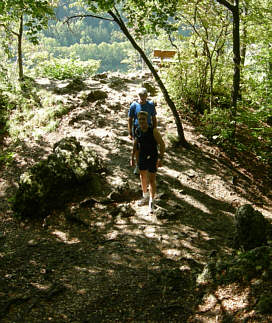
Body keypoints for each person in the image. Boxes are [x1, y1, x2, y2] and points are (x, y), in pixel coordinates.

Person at [130, 111, 165, 214]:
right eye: (140, 119)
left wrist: (161, 158)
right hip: (142, 156)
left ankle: (151, 200)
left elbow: (162, 144)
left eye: (143, 119)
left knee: (152, 179)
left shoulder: (153, 131)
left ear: (148, 120)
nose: (141, 121)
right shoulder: (138, 130)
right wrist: (132, 158)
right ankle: (145, 196)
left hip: (153, 156)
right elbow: (136, 145)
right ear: (138, 120)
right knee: (142, 176)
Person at [128, 87, 157, 175]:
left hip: (148, 129)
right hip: (137, 129)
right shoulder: (134, 105)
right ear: (138, 96)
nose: (142, 97)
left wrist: (154, 130)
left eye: (144, 95)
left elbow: (154, 118)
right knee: (136, 148)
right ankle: (138, 165)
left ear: (147, 95)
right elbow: (130, 119)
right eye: (140, 95)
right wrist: (130, 132)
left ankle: (148, 164)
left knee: (148, 147)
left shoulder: (151, 105)